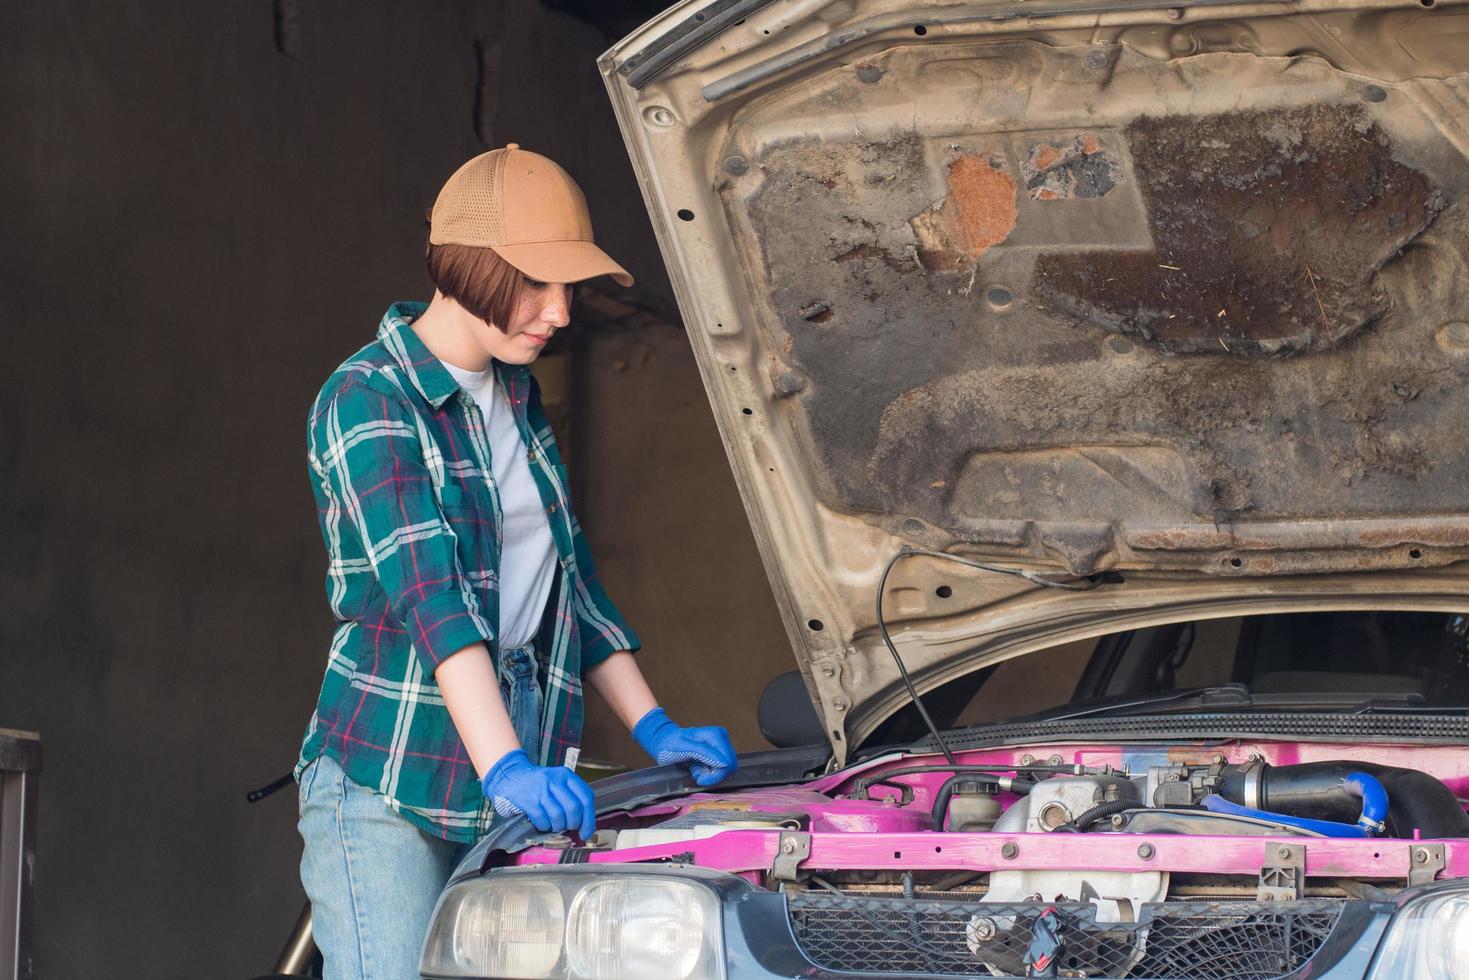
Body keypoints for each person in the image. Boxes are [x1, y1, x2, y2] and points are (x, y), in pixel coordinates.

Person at [294, 143, 738, 980]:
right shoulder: (367, 398)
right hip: (395, 766)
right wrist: (503, 766)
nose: (562, 312)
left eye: (567, 287)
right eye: (539, 284)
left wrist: (654, 727)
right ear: (471, 268)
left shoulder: (515, 397)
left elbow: (571, 586)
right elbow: (431, 597)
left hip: (515, 758)